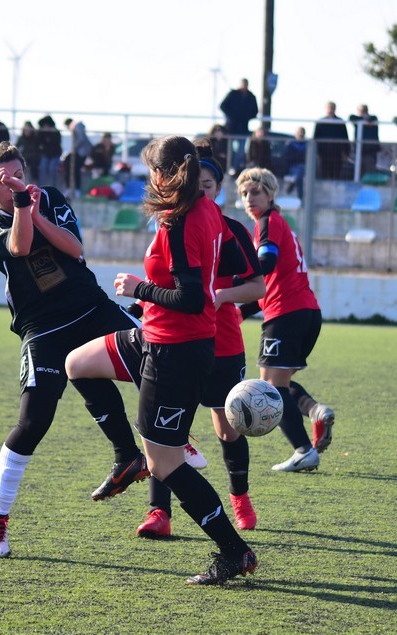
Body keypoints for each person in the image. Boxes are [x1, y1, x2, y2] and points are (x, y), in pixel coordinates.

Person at [66, 135, 258, 585]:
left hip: (176, 350)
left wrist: (141, 289)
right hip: (155, 336)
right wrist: (149, 301)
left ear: (160, 174)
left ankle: (235, 552)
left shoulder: (181, 221)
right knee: (77, 363)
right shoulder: (205, 210)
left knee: (166, 465)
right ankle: (125, 457)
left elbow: (192, 299)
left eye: (149, 170)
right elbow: (204, 276)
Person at [0, 143, 144, 560]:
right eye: (5, 179)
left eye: (20, 173)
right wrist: (23, 204)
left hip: (91, 309)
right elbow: (20, 248)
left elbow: (74, 249)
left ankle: (159, 448)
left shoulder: (51, 197)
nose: (16, 182)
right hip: (43, 328)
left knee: (157, 358)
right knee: (33, 421)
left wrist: (36, 209)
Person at [131, 139, 266, 539]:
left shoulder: (226, 228)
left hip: (220, 341)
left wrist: (221, 295)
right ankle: (159, 511)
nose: (201, 189)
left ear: (217, 188)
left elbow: (258, 287)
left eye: (208, 184)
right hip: (180, 337)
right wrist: (141, 304)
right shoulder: (173, 220)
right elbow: (167, 281)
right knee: (169, 434)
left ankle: (240, 497)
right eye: (198, 182)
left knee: (227, 429)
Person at [235, 167, 335, 472]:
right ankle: (315, 411)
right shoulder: (280, 224)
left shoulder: (268, 222)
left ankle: (304, 450)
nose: (249, 198)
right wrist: (241, 310)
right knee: (280, 382)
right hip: (306, 313)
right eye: (244, 193)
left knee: (270, 387)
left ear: (270, 194)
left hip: (286, 314)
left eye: (256, 192)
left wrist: (230, 280)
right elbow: (270, 283)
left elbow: (266, 263)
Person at [220, 79, 258, 172]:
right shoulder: (233, 94)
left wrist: (246, 117)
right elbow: (223, 106)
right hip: (231, 128)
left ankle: (236, 169)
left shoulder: (251, 97)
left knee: (241, 151)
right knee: (230, 150)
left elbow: (255, 111)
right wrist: (231, 116)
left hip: (243, 128)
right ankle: (230, 168)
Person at [313, 101, 350, 180]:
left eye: (332, 108)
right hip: (324, 152)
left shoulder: (340, 121)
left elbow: (345, 137)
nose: (330, 109)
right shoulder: (321, 121)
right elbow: (315, 137)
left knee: (336, 173)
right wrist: (316, 151)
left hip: (337, 151)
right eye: (329, 108)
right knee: (324, 172)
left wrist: (346, 152)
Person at [348, 104, 381, 176]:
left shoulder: (373, 118)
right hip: (359, 150)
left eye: (364, 110)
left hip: (370, 150)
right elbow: (351, 118)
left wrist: (366, 119)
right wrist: (362, 118)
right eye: (361, 111)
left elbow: (372, 120)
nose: (363, 112)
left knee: (370, 171)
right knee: (358, 171)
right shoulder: (356, 119)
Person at [63, 118, 92, 194]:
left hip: (81, 153)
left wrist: (73, 148)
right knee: (69, 164)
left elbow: (81, 139)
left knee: (76, 168)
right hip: (79, 153)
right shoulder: (77, 127)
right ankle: (70, 188)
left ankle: (76, 189)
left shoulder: (77, 127)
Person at [282, 127, 308, 200]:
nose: (300, 134)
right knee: (299, 175)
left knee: (300, 171)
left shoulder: (307, 145)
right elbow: (287, 157)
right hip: (293, 166)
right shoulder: (291, 144)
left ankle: (293, 184)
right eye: (299, 133)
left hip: (303, 166)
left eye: (302, 133)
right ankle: (300, 197)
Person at [36, 115, 62, 186]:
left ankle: (52, 187)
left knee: (52, 168)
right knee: (42, 168)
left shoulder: (55, 132)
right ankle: (42, 187)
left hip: (55, 154)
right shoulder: (41, 133)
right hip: (45, 154)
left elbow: (56, 143)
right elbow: (39, 142)